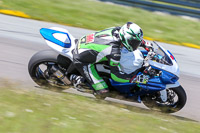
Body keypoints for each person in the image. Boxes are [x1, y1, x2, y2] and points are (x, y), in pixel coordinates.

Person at [70, 22, 152, 98]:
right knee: (103, 92)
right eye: (135, 42)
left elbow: (131, 37)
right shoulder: (114, 51)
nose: (136, 45)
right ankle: (77, 79)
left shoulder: (118, 30)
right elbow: (116, 76)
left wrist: (144, 44)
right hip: (81, 59)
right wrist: (135, 78)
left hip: (85, 43)